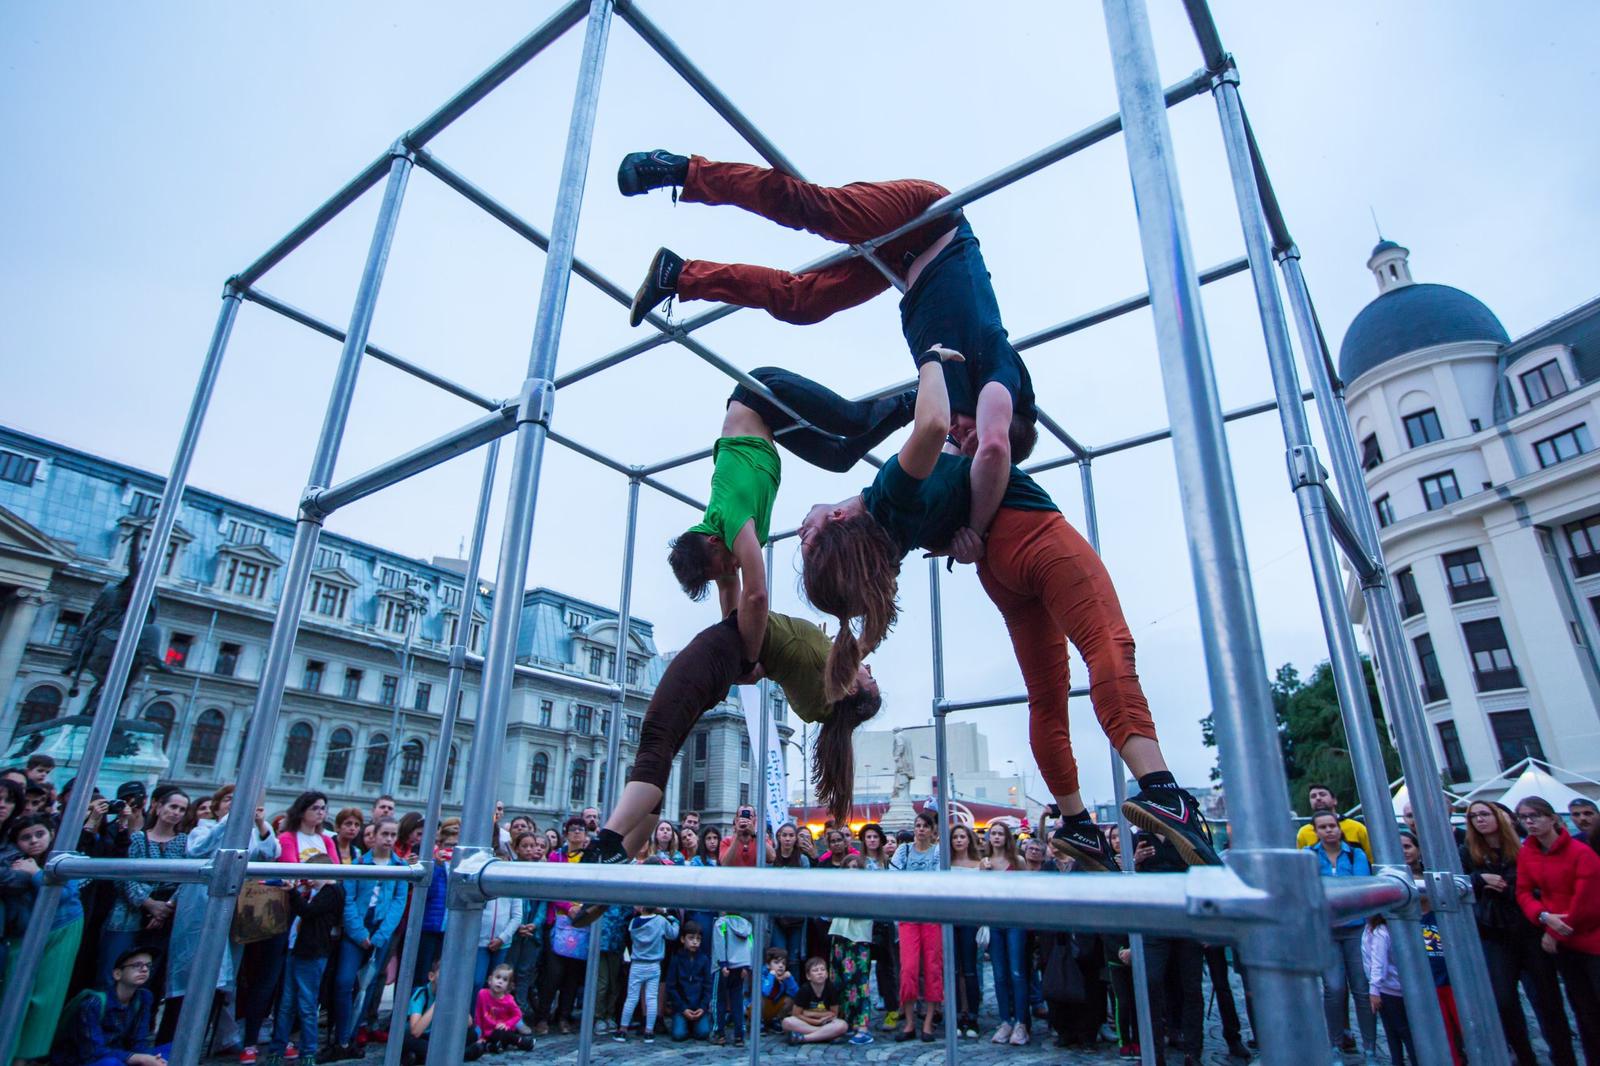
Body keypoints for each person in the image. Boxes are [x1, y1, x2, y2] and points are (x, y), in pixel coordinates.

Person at [795, 345, 1216, 874]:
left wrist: (954, 535)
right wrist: (933, 364)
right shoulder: (906, 489)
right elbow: (951, 438)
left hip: (997, 569)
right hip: (1033, 532)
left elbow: (907, 494)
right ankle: (1161, 789)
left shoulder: (893, 539)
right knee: (1107, 644)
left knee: (1047, 695)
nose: (963, 433)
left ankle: (1076, 821)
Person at [618, 151, 1038, 527]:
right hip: (931, 218)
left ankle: (678, 275)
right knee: (819, 210)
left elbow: (936, 475)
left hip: (899, 259)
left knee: (802, 302)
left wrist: (953, 534)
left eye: (958, 441)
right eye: (969, 434)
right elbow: (995, 448)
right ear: (1000, 413)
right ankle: (683, 171)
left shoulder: (949, 400)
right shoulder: (998, 364)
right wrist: (977, 532)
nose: (955, 432)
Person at [580, 611, 883, 878]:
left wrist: (739, 550)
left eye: (870, 679)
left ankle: (607, 841)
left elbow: (757, 599)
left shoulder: (824, 679)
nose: (870, 669)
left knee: (656, 745)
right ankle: (616, 861)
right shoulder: (821, 697)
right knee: (660, 752)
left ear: (852, 687)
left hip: (720, 654)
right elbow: (759, 669)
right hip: (726, 660)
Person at [1461, 799, 1575, 1065]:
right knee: (1504, 1001)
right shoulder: (1467, 852)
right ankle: (1525, 1056)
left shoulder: (1524, 848)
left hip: (1528, 929)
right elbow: (1458, 882)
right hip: (1494, 933)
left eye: (1485, 814)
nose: (1480, 820)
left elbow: (1538, 886)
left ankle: (1563, 1056)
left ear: (1498, 817)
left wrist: (1511, 888)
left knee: (1548, 1000)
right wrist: (1481, 880)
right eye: (1474, 816)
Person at [163, 788, 277, 1049]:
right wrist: (232, 819)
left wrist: (260, 823)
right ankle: (172, 1043)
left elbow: (269, 853)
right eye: (229, 801)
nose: (236, 806)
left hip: (236, 915)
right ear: (216, 807)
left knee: (225, 981)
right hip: (201, 914)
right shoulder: (203, 829)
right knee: (190, 981)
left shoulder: (249, 834)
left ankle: (214, 1038)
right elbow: (197, 850)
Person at [1514, 796, 1600, 1061]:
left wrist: (1553, 929)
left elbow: (1588, 900)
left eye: (1535, 815)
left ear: (1553, 819)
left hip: (1590, 939)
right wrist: (1543, 916)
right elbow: (1523, 891)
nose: (1530, 821)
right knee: (1583, 1012)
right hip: (1563, 940)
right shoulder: (1527, 852)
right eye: (1524, 817)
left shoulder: (1581, 852)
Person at [2, 813, 85, 1062]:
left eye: (40, 834)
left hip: (62, 927)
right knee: (14, 993)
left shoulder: (66, 857)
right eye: (26, 837)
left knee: (45, 999)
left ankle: (23, 1058)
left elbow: (64, 894)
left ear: (51, 833)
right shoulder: (10, 858)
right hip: (24, 932)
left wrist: (36, 874)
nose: (34, 841)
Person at [327, 816, 410, 1061]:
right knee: (344, 982)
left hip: (381, 931)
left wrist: (382, 934)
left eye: (393, 835)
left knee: (368, 985)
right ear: (373, 836)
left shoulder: (400, 867)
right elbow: (349, 900)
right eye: (385, 834)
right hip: (358, 930)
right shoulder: (359, 864)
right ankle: (341, 1035)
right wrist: (359, 932)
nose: (389, 839)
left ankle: (351, 1035)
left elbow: (398, 903)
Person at [101, 786, 188, 1003]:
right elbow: (126, 875)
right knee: (113, 971)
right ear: (158, 807)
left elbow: (185, 879)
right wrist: (149, 903)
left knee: (146, 979)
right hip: (127, 915)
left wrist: (164, 909)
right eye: (173, 806)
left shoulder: (185, 842)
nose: (176, 812)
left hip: (162, 919)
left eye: (182, 809)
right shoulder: (138, 838)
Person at [1307, 811, 1378, 1064]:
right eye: (1323, 827)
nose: (1329, 830)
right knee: (1334, 989)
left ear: (1340, 828)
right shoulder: (1309, 857)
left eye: (1332, 826)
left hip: (1356, 929)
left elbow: (1361, 886)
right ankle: (1335, 1045)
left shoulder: (1355, 854)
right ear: (1315, 831)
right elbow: (1308, 889)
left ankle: (1370, 1047)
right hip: (1327, 931)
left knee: (1362, 989)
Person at [268, 853, 342, 1065]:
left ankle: (308, 1051)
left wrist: (292, 893)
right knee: (286, 1004)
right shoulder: (314, 891)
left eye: (313, 874)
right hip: (296, 950)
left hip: (312, 953)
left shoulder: (332, 891)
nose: (309, 879)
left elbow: (308, 912)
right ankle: (277, 1048)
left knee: (307, 1005)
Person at [49, 947, 166, 1066]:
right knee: (111, 1063)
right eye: (137, 965)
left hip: (121, 1057)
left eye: (148, 965)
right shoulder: (93, 1003)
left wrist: (150, 1059)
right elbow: (93, 1052)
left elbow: (140, 1041)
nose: (145, 969)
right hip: (86, 1061)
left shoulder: (144, 997)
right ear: (117, 974)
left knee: (170, 1050)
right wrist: (137, 1058)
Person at [888, 809, 942, 1042]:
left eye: (925, 826)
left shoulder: (938, 852)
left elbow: (939, 881)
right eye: (917, 825)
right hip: (908, 915)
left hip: (931, 914)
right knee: (908, 969)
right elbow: (894, 878)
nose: (920, 830)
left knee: (932, 967)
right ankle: (909, 1021)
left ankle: (928, 1021)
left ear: (932, 830)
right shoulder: (904, 850)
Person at [981, 821, 1032, 1046]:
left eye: (1001, 833)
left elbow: (1026, 890)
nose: (997, 837)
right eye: (993, 834)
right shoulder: (985, 863)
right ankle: (1005, 1021)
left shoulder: (1017, 861)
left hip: (1015, 920)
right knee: (999, 974)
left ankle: (1021, 1022)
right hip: (994, 920)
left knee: (1017, 972)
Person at [827, 854, 876, 1044]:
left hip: (858, 937)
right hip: (839, 935)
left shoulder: (868, 889)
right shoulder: (837, 888)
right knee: (838, 981)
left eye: (855, 866)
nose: (851, 870)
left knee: (860, 984)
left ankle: (862, 1026)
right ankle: (846, 1022)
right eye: (848, 866)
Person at [615, 905, 679, 1042]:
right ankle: (649, 1031)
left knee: (631, 998)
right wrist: (674, 920)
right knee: (651, 998)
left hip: (637, 964)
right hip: (654, 965)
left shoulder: (634, 923)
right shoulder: (661, 921)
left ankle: (622, 1029)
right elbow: (673, 934)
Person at [504, 833, 548, 1026]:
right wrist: (518, 925)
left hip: (532, 931)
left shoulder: (541, 871)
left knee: (525, 973)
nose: (530, 850)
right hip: (515, 930)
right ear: (517, 848)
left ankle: (519, 1013)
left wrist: (535, 924)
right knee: (509, 971)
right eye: (526, 846)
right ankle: (503, 1011)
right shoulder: (511, 869)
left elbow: (543, 902)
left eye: (534, 846)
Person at [947, 822, 984, 1039]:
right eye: (955, 837)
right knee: (952, 970)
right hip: (950, 920)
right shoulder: (945, 863)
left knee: (969, 970)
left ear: (969, 839)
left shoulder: (978, 864)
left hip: (969, 920)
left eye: (962, 837)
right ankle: (955, 1015)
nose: (959, 840)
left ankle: (972, 1016)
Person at [1361, 914, 1413, 1065]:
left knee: (1402, 1031)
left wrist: (1374, 990)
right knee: (1392, 1033)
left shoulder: (1380, 932)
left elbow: (1379, 964)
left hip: (1391, 989)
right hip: (1387, 988)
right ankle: (1397, 1061)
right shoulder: (1370, 929)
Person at [769, 823, 811, 975]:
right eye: (784, 835)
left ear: (795, 838)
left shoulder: (803, 860)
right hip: (776, 915)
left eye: (791, 835)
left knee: (793, 959)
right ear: (779, 837)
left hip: (796, 916)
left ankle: (795, 996)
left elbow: (805, 886)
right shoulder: (772, 857)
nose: (787, 839)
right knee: (778, 956)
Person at [1294, 784, 1372, 860]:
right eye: (1313, 796)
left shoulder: (1357, 828)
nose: (1318, 798)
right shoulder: (1303, 832)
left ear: (1334, 800)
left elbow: (1371, 859)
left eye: (1322, 794)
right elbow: (1302, 864)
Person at [666, 920, 714, 1042]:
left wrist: (703, 1007)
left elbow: (708, 985)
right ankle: (683, 1023)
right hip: (681, 1008)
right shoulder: (676, 959)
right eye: (691, 938)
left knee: (703, 1033)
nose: (695, 942)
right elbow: (671, 986)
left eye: (698, 939)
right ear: (683, 939)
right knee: (678, 1035)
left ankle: (695, 1025)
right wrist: (682, 1008)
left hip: (699, 1007)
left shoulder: (704, 959)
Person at [710, 913, 754, 1047]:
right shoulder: (747, 924)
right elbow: (750, 945)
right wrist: (747, 965)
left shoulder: (721, 923)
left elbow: (719, 942)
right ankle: (739, 1035)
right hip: (740, 967)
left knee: (719, 1000)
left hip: (723, 967)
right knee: (737, 1001)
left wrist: (723, 963)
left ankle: (719, 1033)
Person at [472, 963, 534, 1054]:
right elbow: (478, 1015)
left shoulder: (509, 1000)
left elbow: (518, 1014)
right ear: (490, 980)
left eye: (504, 980)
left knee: (502, 1033)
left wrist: (507, 1024)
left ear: (508, 986)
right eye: (497, 977)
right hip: (486, 1031)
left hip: (502, 1031)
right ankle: (492, 1046)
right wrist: (481, 1036)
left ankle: (519, 1041)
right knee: (475, 1037)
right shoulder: (482, 994)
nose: (500, 981)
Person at [759, 947, 799, 1030]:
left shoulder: (784, 976)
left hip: (774, 1007)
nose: (781, 966)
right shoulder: (763, 974)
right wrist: (771, 976)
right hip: (760, 1009)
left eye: (783, 963)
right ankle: (760, 1022)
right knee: (760, 998)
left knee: (790, 999)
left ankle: (777, 1020)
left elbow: (797, 995)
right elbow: (765, 992)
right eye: (776, 962)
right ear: (768, 965)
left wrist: (790, 978)